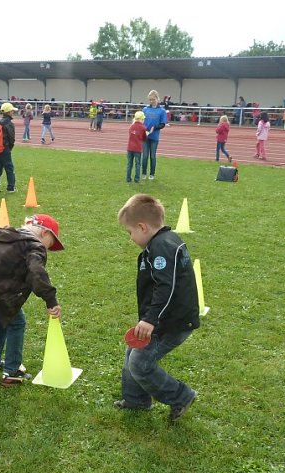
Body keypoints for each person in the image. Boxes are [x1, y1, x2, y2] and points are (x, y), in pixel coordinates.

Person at [115, 194, 199, 422]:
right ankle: (136, 400)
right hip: (165, 318)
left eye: (130, 232)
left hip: (172, 322)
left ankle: (181, 395)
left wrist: (151, 319)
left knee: (140, 363)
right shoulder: (165, 240)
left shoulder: (161, 247)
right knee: (133, 350)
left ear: (142, 227)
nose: (130, 237)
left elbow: (166, 287)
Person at [0, 213, 64, 386]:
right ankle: (12, 372)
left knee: (1, 318)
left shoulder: (6, 236)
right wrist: (51, 300)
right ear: (45, 233)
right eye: (50, 243)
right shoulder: (35, 246)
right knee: (17, 322)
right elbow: (36, 273)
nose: (48, 248)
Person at [0, 101, 18, 193]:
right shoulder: (9, 124)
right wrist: (10, 148)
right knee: (9, 168)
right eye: (12, 111)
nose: (13, 112)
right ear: (9, 112)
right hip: (5, 148)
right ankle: (11, 188)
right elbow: (11, 139)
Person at [141, 90, 167, 180]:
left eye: (153, 99)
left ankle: (152, 174)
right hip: (145, 136)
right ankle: (143, 173)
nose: (151, 101)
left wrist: (154, 128)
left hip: (154, 137)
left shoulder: (162, 111)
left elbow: (163, 124)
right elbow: (141, 121)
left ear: (157, 99)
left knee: (152, 156)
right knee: (144, 156)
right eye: (150, 99)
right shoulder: (145, 109)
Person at [126, 111, 147, 183]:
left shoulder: (131, 126)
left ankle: (128, 178)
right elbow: (144, 138)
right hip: (137, 148)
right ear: (141, 119)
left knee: (129, 164)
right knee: (138, 164)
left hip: (130, 148)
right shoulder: (143, 127)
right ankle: (137, 179)